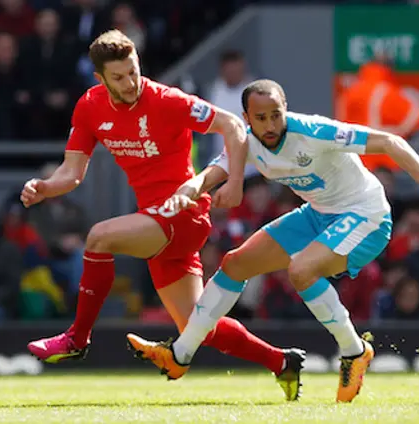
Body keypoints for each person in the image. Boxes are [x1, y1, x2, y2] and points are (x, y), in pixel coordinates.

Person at [127, 79, 419, 403]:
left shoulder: (313, 130)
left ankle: (353, 351)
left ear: (285, 109)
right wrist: (192, 188)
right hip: (318, 214)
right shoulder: (246, 142)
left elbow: (389, 142)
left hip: (366, 215)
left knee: (301, 270)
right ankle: (180, 354)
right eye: (261, 118)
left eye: (276, 114)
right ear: (247, 119)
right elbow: (213, 173)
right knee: (235, 263)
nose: (271, 123)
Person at [22, 33, 305, 401]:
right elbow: (72, 173)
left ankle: (77, 337)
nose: (131, 83)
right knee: (197, 326)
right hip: (154, 223)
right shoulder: (89, 106)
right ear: (100, 79)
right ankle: (283, 362)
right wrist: (45, 187)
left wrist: (234, 183)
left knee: (98, 237)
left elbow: (234, 126)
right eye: (119, 77)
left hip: (183, 212)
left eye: (133, 71)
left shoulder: (167, 100)